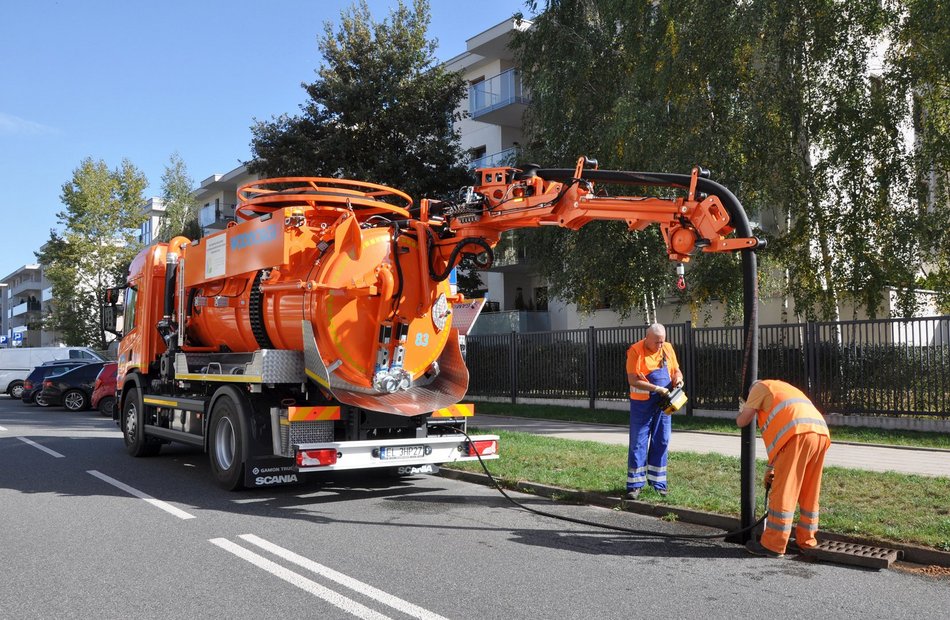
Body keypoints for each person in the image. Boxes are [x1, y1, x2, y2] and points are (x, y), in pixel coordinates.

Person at [736, 379, 831, 558]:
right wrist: (771, 468)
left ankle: (773, 545)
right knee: (809, 490)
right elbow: (783, 432)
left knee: (784, 490)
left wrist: (743, 408)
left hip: (797, 434)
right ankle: (806, 541)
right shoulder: (781, 388)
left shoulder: (758, 388)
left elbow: (743, 421)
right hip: (820, 433)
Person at [625, 323, 683, 499]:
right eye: (657, 341)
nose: (660, 345)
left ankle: (658, 483)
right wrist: (656, 388)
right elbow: (633, 380)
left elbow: (676, 371)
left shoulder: (667, 348)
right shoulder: (635, 351)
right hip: (642, 405)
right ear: (647, 338)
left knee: (662, 440)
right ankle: (635, 485)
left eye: (662, 341)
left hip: (664, 402)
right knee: (638, 442)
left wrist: (679, 380)